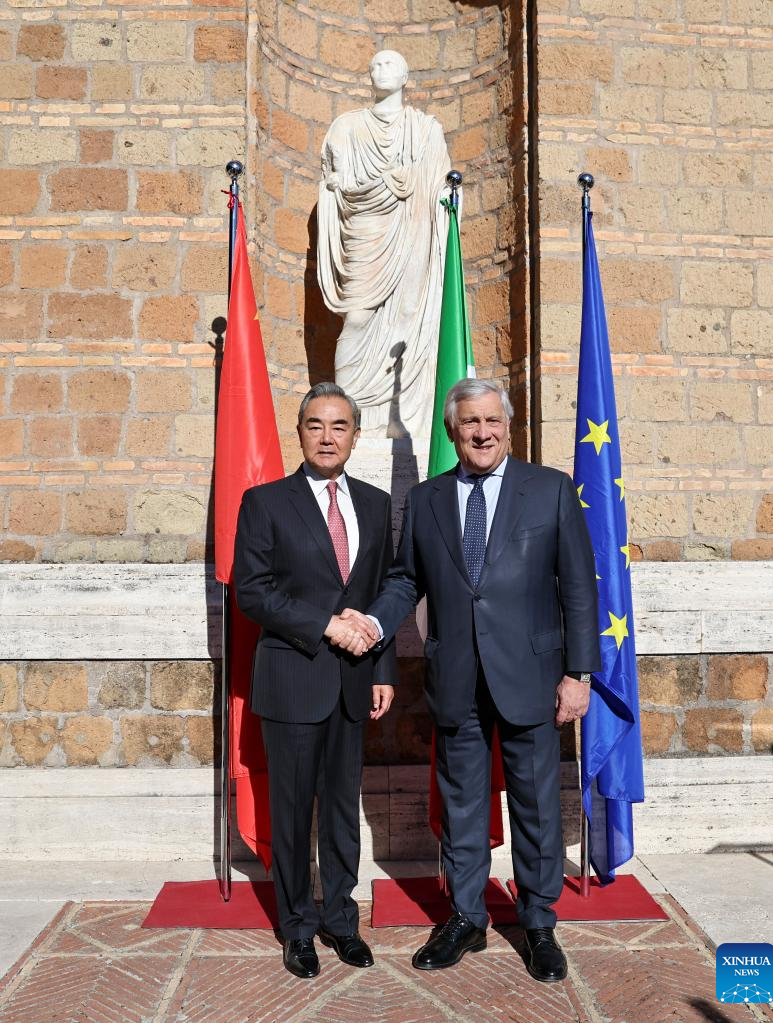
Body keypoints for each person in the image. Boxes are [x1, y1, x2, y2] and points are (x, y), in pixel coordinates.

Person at [336, 378, 601, 983]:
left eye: (491, 422)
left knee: (536, 805)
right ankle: (466, 917)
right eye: (469, 424)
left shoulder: (550, 489)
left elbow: (579, 588)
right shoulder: (426, 498)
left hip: (533, 676)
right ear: (453, 432)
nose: (482, 433)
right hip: (456, 676)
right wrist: (372, 623)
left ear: (508, 427)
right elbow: (406, 580)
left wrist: (578, 673)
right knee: (461, 806)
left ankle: (538, 922)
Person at [234, 381, 394, 980]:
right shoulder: (265, 502)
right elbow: (252, 591)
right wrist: (325, 625)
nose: (327, 437)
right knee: (294, 810)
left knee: (343, 811)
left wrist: (382, 669)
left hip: (354, 681)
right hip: (293, 679)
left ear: (355, 436)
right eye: (315, 426)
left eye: (339, 426)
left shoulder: (376, 505)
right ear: (299, 433)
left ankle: (341, 921)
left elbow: (382, 593)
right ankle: (298, 927)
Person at [317, 49, 451, 440]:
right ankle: (347, 418)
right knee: (357, 318)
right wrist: (337, 186)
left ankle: (401, 419)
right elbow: (334, 183)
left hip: (414, 231)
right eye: (374, 64)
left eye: (389, 63)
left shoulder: (425, 130)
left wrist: (448, 198)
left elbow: (441, 183)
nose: (380, 69)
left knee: (409, 316)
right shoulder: (347, 126)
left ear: (406, 76)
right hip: (365, 230)